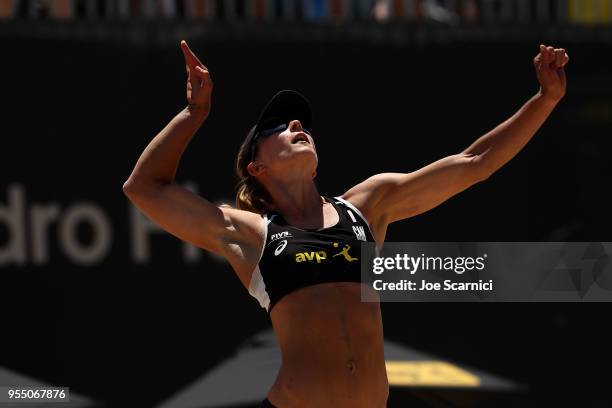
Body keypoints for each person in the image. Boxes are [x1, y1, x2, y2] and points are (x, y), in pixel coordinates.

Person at [122, 40, 569, 407]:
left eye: (299, 122)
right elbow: (143, 188)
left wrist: (545, 99)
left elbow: (475, 162)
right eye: (277, 126)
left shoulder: (367, 206)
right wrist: (194, 113)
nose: (296, 123)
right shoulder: (252, 234)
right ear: (256, 167)